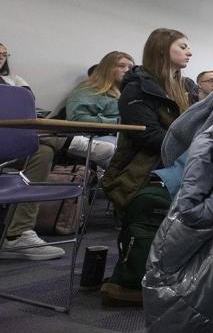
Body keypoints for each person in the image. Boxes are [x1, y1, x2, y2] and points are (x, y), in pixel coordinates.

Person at [99, 29, 193, 305]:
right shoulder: (136, 87)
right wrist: (194, 149)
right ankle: (135, 280)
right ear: (163, 50)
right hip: (143, 167)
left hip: (173, 162)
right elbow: (148, 136)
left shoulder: (184, 87)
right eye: (183, 46)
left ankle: (180, 275)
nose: (189, 52)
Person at [0, 43, 65, 261]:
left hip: (11, 142)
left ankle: (19, 234)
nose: (1, 57)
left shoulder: (15, 82)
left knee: (42, 151)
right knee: (48, 138)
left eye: (3, 54)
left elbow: (28, 112)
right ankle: (71, 142)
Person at [64, 51, 134, 166]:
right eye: (121, 66)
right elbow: (76, 119)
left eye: (130, 67)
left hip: (124, 137)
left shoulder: (130, 94)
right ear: (107, 68)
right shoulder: (87, 90)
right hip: (93, 138)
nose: (127, 70)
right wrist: (118, 122)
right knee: (124, 152)